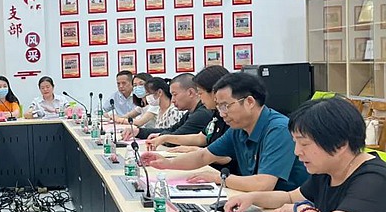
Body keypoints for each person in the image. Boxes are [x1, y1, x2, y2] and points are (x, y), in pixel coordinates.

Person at [225, 98, 386, 212]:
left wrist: (302, 209)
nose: (297, 151)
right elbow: (290, 197)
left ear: (340, 144)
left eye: (304, 144)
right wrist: (252, 198)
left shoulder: (375, 179)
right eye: (295, 143)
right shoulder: (328, 169)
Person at [140, 72, 309, 192]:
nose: (221, 113)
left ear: (249, 102)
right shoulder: (239, 128)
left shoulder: (278, 129)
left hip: (286, 210)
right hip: (256, 201)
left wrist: (217, 178)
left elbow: (263, 184)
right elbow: (204, 156)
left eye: (225, 106)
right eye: (219, 107)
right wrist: (166, 163)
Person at [146, 66, 238, 174]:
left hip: (226, 174)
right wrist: (165, 138)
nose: (199, 97)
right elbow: (202, 137)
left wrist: (197, 150)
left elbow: (227, 157)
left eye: (200, 93)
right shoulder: (216, 114)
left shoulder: (227, 117)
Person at [123, 73, 212, 141]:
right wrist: (139, 132)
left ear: (190, 93)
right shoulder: (190, 113)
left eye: (175, 95)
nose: (172, 100)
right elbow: (172, 130)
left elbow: (177, 136)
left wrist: (161, 137)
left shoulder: (202, 113)